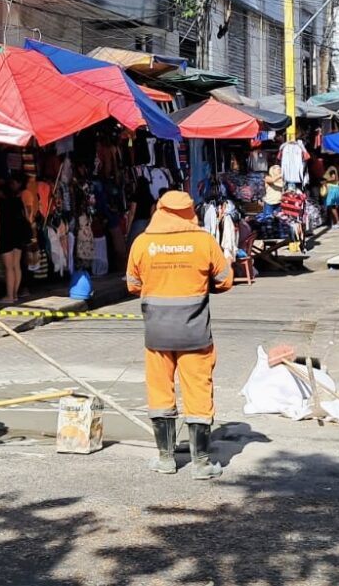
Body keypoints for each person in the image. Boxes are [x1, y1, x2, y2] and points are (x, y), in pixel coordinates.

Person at [126, 191, 234, 480]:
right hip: (195, 333)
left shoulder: (143, 242)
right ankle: (200, 464)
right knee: (198, 391)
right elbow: (226, 280)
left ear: (159, 210)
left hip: (157, 332)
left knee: (160, 391)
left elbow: (133, 284)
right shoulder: (203, 241)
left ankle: (165, 459)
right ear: (190, 212)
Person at [0, 177, 29, 303]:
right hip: (19, 236)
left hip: (6, 235)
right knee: (16, 266)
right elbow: (26, 216)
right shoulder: (18, 201)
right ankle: (15, 294)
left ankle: (9, 296)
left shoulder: (0, 204)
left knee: (8, 267)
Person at [124, 177, 155, 252]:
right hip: (147, 224)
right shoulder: (151, 198)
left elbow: (132, 213)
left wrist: (128, 230)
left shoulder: (136, 196)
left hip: (137, 224)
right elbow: (152, 215)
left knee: (133, 248)